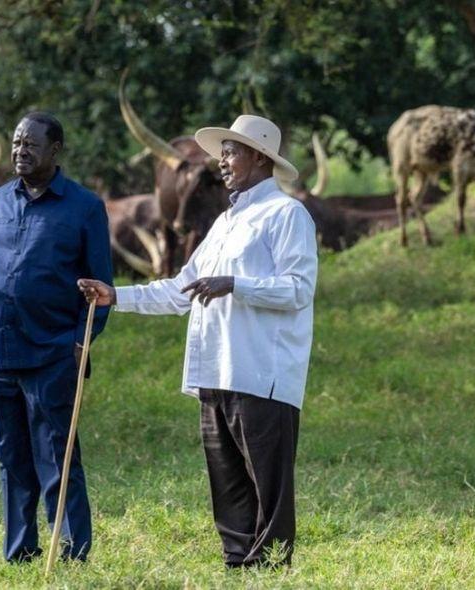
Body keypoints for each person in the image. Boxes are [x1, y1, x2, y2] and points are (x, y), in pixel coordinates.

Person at [78, 115, 318, 569]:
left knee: (268, 487)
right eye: (222, 152)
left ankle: (270, 573)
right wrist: (116, 296)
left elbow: (298, 289)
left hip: (261, 375)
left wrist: (236, 284)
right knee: (227, 486)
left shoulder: (288, 214)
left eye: (231, 152)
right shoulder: (227, 220)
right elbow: (180, 289)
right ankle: (236, 566)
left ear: (260, 158)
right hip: (214, 372)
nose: (221, 161)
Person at [0, 112, 113, 563]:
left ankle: (72, 551)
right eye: (16, 143)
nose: (20, 151)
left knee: (58, 455)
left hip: (55, 350)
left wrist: (81, 342)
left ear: (55, 150)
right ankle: (20, 550)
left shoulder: (84, 207)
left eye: (30, 144)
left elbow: (100, 290)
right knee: (10, 456)